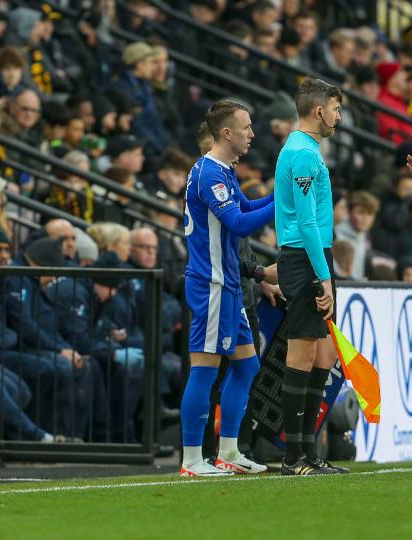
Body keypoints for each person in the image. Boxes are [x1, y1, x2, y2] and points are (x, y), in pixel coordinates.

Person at [179, 99, 276, 477]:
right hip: (212, 284)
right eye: (246, 127)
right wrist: (287, 206)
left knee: (248, 366)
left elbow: (246, 207)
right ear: (226, 133)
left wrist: (282, 196)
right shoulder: (209, 175)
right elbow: (238, 223)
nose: (252, 134)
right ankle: (191, 459)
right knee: (204, 370)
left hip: (229, 285)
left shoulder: (222, 171)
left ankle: (229, 452)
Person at [274, 77, 350, 476]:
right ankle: (292, 457)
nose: (339, 116)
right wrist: (323, 278)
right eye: (336, 109)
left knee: (324, 354)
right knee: (302, 353)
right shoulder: (303, 155)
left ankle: (310, 453)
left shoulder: (307, 151)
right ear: (319, 110)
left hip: (316, 256)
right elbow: (305, 221)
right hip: (306, 259)